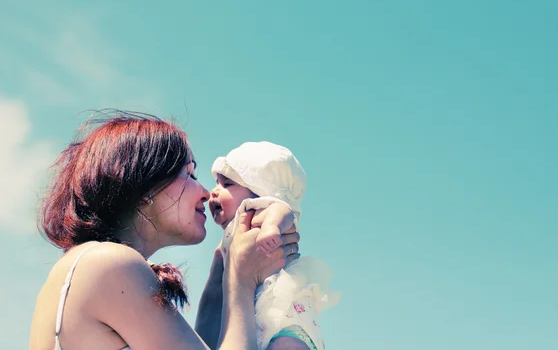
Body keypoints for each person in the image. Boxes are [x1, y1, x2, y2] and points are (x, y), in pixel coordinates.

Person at [29, 112, 300, 350]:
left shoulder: (90, 264)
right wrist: (243, 280)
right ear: (143, 183)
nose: (206, 193)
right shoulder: (108, 263)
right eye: (190, 174)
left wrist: (221, 283)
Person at [210, 141, 340, 350]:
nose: (214, 192)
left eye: (227, 184)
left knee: (285, 344)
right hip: (258, 323)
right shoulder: (230, 237)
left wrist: (271, 227)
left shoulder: (257, 210)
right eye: (217, 183)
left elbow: (283, 211)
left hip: (283, 314)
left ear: (259, 191)